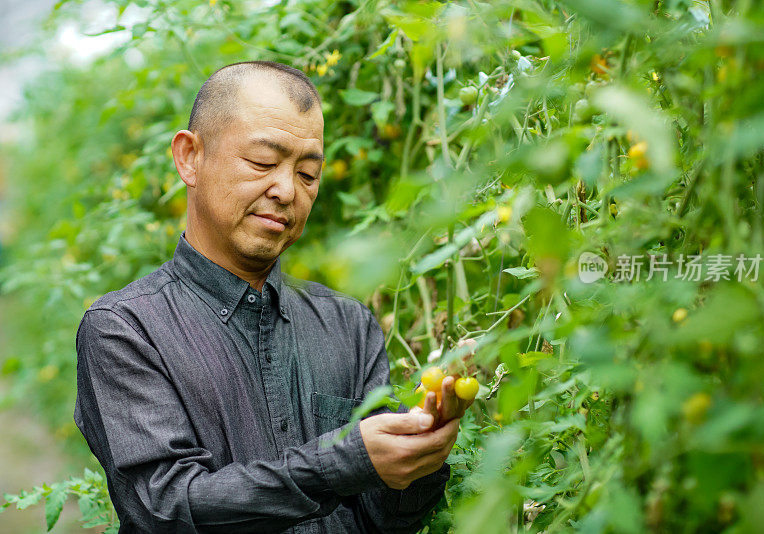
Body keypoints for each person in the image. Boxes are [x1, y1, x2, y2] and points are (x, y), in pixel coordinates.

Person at [73, 60, 473, 533]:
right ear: (189, 157)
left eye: (307, 174)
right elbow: (166, 508)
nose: (286, 190)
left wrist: (418, 453)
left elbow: (384, 520)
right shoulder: (125, 328)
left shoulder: (347, 324)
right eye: (263, 162)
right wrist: (341, 462)